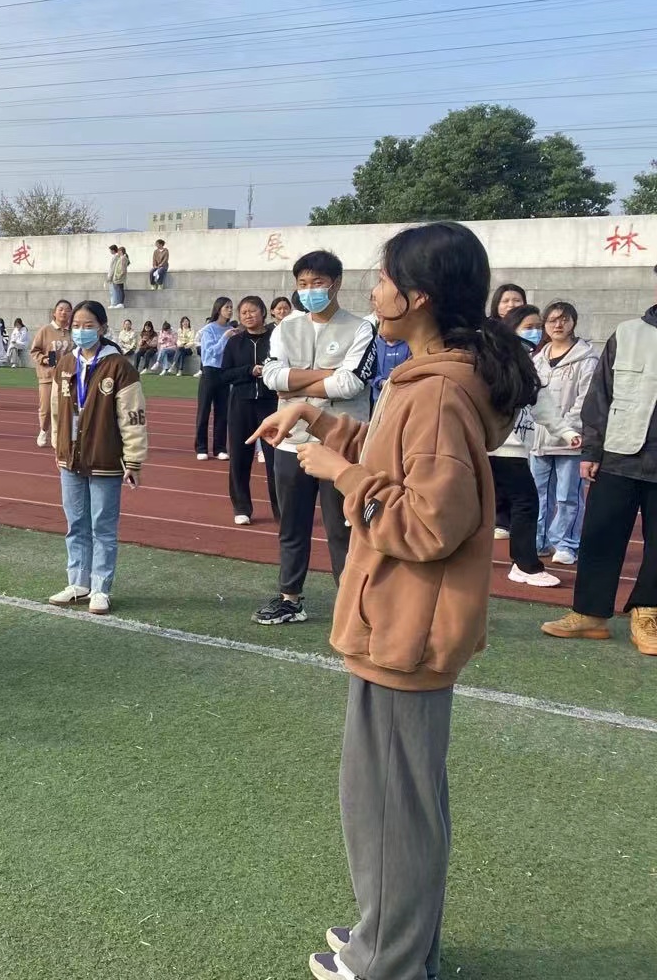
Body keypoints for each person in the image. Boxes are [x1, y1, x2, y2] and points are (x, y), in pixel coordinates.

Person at [251, 221, 537, 980]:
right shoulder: (430, 380)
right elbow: (396, 459)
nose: (370, 292)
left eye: (382, 279)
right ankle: (396, 936)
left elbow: (429, 523)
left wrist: (335, 471)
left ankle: (389, 960)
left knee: (389, 807)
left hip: (407, 625)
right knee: (397, 801)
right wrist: (319, 421)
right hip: (401, 619)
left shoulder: (436, 392)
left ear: (419, 297)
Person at [253, 250, 374, 625]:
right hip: (291, 441)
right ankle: (290, 597)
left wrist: (295, 382)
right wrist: (325, 376)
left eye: (317, 283)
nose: (310, 290)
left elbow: (351, 383)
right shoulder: (286, 327)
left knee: (342, 528)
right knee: (292, 525)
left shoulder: (361, 328)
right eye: (303, 284)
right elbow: (272, 377)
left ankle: (351, 602)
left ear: (336, 284)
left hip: (340, 443)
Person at [541, 268, 657, 652]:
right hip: (620, 453)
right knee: (600, 535)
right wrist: (592, 450)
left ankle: (648, 613)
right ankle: (589, 613)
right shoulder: (628, 333)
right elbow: (601, 395)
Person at [47, 300, 147, 616]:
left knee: (102, 527)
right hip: (70, 458)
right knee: (75, 523)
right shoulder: (66, 364)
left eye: (88, 325)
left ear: (102, 328)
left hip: (105, 459)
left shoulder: (119, 367)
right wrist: (58, 445)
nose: (81, 331)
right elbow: (56, 410)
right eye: (76, 326)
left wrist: (133, 460)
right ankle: (78, 583)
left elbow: (132, 417)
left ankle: (101, 587)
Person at [489, 305, 561, 589]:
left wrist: (566, 432)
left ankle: (523, 563)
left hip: (514, 448)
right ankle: (525, 565)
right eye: (529, 326)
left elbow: (542, 404)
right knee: (525, 502)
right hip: (501, 448)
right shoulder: (498, 360)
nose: (535, 331)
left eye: (538, 326)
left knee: (513, 503)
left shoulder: (527, 363)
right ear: (512, 328)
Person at [528, 302, 594, 566]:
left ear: (573, 323)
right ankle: (539, 539)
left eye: (564, 319)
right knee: (538, 492)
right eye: (552, 320)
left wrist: (565, 429)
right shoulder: (537, 359)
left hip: (570, 440)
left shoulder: (586, 359)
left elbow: (585, 400)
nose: (558, 325)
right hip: (540, 439)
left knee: (568, 496)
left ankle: (566, 543)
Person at [223, 296, 279, 526]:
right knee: (239, 457)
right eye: (244, 312)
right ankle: (241, 507)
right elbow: (224, 374)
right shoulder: (235, 342)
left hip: (270, 404)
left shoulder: (276, 339)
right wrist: (249, 371)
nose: (248, 315)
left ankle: (281, 510)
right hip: (241, 405)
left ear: (263, 312)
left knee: (276, 460)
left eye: (252, 311)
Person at [488, 282, 527, 541]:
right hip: (497, 415)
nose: (511, 304)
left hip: (524, 423)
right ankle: (500, 518)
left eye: (516, 300)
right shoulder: (488, 334)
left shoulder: (531, 336)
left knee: (525, 492)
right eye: (506, 300)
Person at [195, 298, 235, 461]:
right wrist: (225, 337)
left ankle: (220, 448)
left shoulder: (231, 329)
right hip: (210, 371)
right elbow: (210, 352)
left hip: (224, 372)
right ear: (218, 309)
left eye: (231, 307)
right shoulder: (209, 329)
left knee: (222, 412)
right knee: (204, 410)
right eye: (227, 307)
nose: (230, 310)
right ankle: (201, 447)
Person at [32, 300, 74, 448]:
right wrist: (44, 359)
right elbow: (34, 351)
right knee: (47, 408)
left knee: (65, 408)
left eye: (67, 310)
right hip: (48, 376)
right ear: (54, 313)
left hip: (68, 377)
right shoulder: (45, 330)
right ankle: (44, 430)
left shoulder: (74, 332)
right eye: (60, 309)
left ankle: (59, 436)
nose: (64, 312)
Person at [106, 244, 129, 308]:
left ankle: (119, 303)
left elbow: (121, 269)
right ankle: (116, 303)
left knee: (118, 290)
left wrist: (116, 276)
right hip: (116, 277)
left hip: (118, 277)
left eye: (119, 251)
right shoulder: (120, 257)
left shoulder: (122, 258)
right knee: (117, 290)